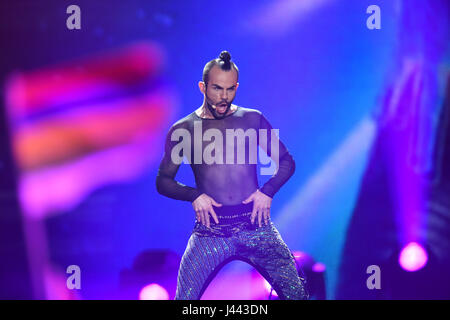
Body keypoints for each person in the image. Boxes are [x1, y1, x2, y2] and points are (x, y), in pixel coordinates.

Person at [156, 51, 309, 300]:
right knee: (185, 301)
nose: (223, 97)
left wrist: (267, 192)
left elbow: (286, 162)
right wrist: (194, 195)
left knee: (298, 295)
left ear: (236, 86)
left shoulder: (252, 119)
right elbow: (163, 181)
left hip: (256, 226)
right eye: (217, 89)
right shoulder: (183, 129)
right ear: (202, 87)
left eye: (230, 89)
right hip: (210, 233)